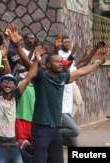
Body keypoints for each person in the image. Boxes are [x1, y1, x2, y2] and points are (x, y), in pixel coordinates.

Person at [9, 24, 106, 163]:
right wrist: (17, 45)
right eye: (57, 62)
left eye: (61, 62)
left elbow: (81, 71)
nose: (61, 64)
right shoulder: (41, 76)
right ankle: (17, 150)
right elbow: (28, 64)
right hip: (41, 128)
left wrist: (98, 63)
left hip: (56, 130)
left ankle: (24, 148)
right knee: (39, 161)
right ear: (48, 65)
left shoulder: (62, 78)